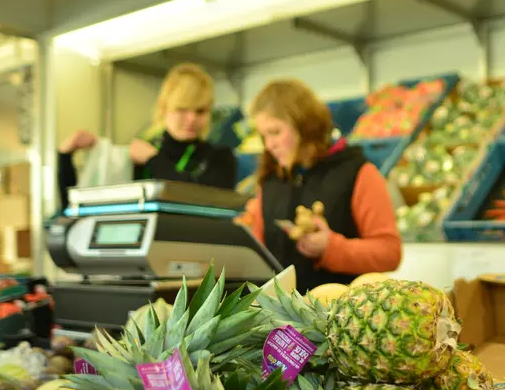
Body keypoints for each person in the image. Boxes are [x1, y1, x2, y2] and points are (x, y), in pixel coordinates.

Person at [238, 79, 402, 293]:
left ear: (305, 127)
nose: (269, 145)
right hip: (279, 320)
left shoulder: (359, 173)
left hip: (342, 316)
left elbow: (389, 253)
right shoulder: (271, 180)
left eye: (276, 132)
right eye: (264, 136)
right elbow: (257, 249)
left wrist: (331, 247)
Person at [57, 63, 237, 211]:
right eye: (181, 109)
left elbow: (201, 200)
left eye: (200, 111)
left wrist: (153, 160)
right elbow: (78, 209)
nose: (191, 119)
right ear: (164, 108)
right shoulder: (135, 158)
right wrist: (64, 156)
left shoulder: (220, 158)